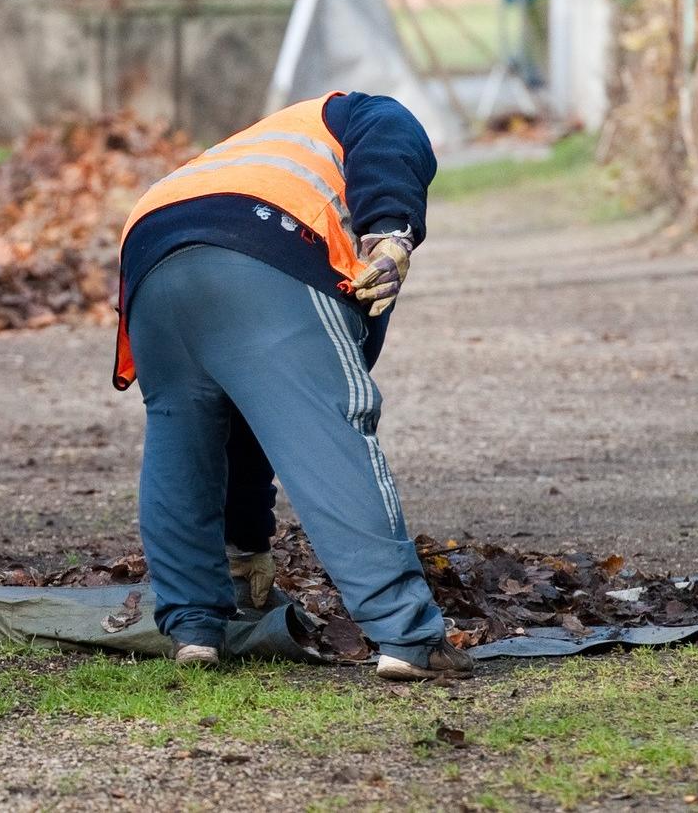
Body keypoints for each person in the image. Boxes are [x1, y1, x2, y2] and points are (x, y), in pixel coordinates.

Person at [113, 91, 473, 680]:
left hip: (150, 250)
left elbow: (253, 418)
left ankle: (196, 627)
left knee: (182, 433)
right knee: (329, 432)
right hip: (264, 236)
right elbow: (391, 127)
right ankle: (407, 636)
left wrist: (248, 545)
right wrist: (390, 230)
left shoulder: (246, 149)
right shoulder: (355, 110)